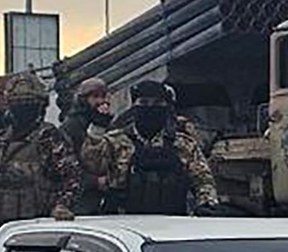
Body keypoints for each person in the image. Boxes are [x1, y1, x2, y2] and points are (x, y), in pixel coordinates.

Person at [0, 72, 78, 241]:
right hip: (0, 231)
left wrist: (61, 206)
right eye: (18, 104)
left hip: (36, 228)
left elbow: (72, 176)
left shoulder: (48, 137)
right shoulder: (0, 141)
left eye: (28, 104)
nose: (23, 110)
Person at [89, 81, 219, 216]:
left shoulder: (183, 143)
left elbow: (203, 179)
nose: (150, 108)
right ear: (134, 107)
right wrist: (98, 127)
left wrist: (207, 204)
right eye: (144, 103)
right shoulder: (114, 141)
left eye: (157, 103)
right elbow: (92, 165)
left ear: (166, 107)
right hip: (123, 224)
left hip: (173, 225)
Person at [61, 77, 116, 214]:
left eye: (103, 96)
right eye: (95, 96)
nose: (100, 101)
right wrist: (94, 181)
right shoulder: (71, 127)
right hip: (81, 198)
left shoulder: (109, 124)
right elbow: (66, 165)